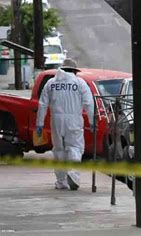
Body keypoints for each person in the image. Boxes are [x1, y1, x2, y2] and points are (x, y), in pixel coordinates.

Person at [36, 58, 94, 190]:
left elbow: (42, 104)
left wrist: (39, 124)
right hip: (74, 119)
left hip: (56, 120)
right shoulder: (80, 83)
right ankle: (73, 174)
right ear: (74, 71)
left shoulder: (51, 83)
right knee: (75, 147)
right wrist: (92, 121)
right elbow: (89, 104)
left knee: (59, 150)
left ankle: (61, 181)